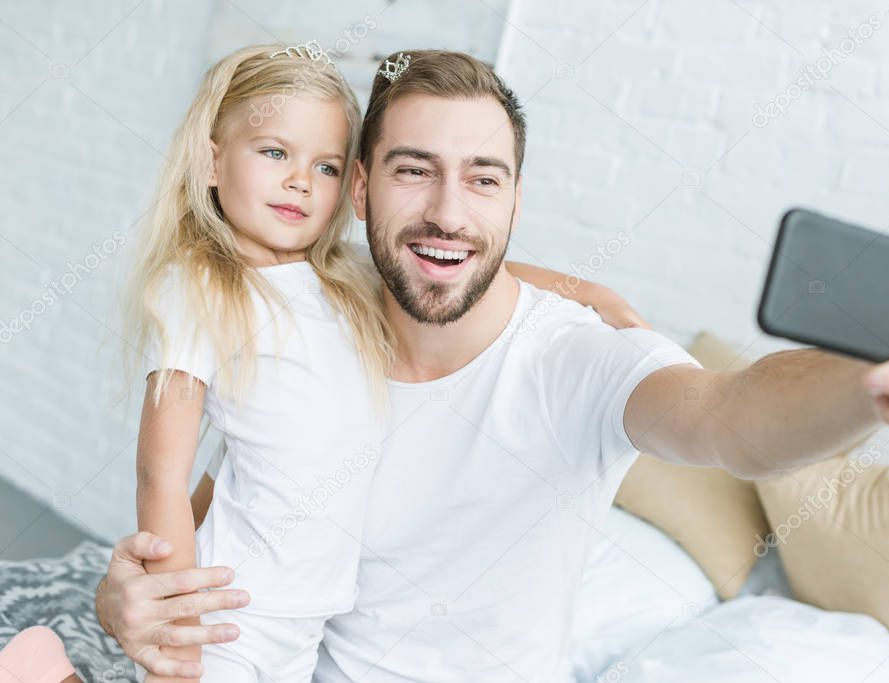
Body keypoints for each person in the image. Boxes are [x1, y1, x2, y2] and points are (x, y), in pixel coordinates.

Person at [94, 49, 889, 681]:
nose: (451, 210)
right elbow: (230, 492)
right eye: (414, 171)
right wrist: (127, 594)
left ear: (515, 198)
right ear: (360, 189)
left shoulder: (577, 356)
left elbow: (732, 419)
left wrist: (874, 386)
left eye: (483, 178)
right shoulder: (323, 317)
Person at [0, 45, 642, 683]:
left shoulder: (340, 282)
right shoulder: (199, 287)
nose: (300, 181)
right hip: (234, 603)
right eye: (275, 152)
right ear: (212, 161)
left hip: (310, 614)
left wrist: (590, 293)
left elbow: (469, 264)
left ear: (350, 184)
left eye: (327, 166)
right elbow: (160, 475)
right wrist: (178, 623)